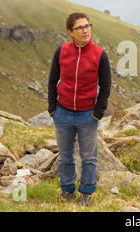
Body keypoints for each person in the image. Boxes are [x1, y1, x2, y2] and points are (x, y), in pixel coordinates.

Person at [47, 12, 111, 207]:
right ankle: (66, 191)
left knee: (89, 158)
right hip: (62, 113)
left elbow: (106, 86)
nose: (86, 30)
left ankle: (86, 194)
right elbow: (52, 80)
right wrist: (52, 108)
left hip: (87, 115)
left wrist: (97, 113)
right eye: (80, 27)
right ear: (70, 32)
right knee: (65, 156)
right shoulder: (62, 51)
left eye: (87, 26)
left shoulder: (99, 54)